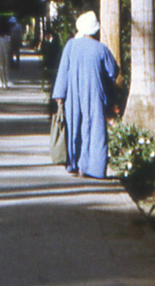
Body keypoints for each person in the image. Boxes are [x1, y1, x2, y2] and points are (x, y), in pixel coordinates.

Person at [50, 10, 118, 177]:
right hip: (95, 93)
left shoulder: (71, 45)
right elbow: (113, 72)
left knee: (75, 126)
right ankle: (94, 168)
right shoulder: (101, 49)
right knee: (95, 128)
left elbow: (63, 71)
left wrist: (59, 95)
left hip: (74, 93)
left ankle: (74, 163)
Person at [0, 15, 13, 88]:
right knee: (5, 63)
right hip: (5, 41)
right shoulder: (7, 37)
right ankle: (5, 81)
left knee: (0, 63)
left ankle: (1, 81)